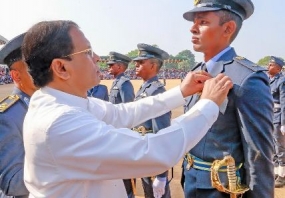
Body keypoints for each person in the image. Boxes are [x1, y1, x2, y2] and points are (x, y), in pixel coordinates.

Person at [21, 20, 233, 197]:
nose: (97, 58)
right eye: (88, 51)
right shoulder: (59, 122)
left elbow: (124, 113)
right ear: (61, 67)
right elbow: (151, 152)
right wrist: (207, 106)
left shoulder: (67, 102)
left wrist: (181, 92)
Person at [181, 0, 274, 198]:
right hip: (191, 182)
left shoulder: (246, 77)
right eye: (195, 22)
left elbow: (258, 154)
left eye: (203, 22)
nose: (192, 28)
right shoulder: (196, 72)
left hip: (221, 190)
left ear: (228, 28)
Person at [0, 33, 37, 198]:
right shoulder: (9, 115)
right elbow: (12, 183)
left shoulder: (45, 103)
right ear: (16, 75)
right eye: (32, 66)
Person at [132, 43, 171, 198]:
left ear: (153, 65)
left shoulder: (156, 91)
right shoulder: (144, 89)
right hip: (144, 152)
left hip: (154, 157)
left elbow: (162, 134)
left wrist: (162, 175)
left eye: (141, 62)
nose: (136, 65)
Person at [107, 51, 135, 197]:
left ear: (119, 66)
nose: (108, 68)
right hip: (115, 135)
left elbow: (128, 111)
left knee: (126, 180)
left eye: (111, 65)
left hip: (122, 137)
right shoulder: (117, 82)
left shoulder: (124, 84)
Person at [268, 56, 285, 188]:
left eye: (272, 64)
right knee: (272, 147)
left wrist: (283, 123)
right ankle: (274, 172)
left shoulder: (282, 81)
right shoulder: (269, 80)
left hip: (278, 118)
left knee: (280, 147)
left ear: (278, 68)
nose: (269, 66)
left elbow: (284, 103)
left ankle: (282, 176)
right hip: (269, 116)